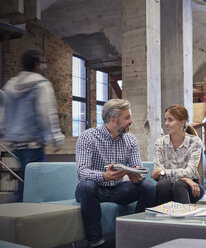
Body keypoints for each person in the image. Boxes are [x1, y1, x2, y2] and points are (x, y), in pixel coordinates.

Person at [75, 99, 156, 248]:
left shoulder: (130, 139)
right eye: (127, 118)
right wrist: (103, 176)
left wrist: (137, 176)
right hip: (94, 189)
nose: (131, 121)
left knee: (149, 187)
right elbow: (82, 171)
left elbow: (138, 167)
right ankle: (95, 242)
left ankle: (135, 236)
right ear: (113, 120)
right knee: (87, 186)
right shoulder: (87, 137)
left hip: (118, 189)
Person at [1, 49, 65, 202]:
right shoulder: (41, 84)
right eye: (42, 63)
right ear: (37, 65)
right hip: (34, 144)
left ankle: (17, 213)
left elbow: (3, 110)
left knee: (22, 180)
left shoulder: (10, 85)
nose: (44, 66)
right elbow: (46, 113)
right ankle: (28, 218)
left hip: (16, 144)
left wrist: (4, 135)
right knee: (34, 185)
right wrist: (57, 137)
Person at [152, 105, 204, 205]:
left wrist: (164, 172)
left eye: (170, 120)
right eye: (165, 119)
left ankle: (184, 219)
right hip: (167, 185)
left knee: (179, 185)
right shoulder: (160, 142)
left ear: (182, 122)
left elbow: (189, 172)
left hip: (192, 186)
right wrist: (184, 177)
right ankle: (160, 219)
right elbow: (158, 173)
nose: (166, 123)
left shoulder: (195, 142)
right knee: (163, 185)